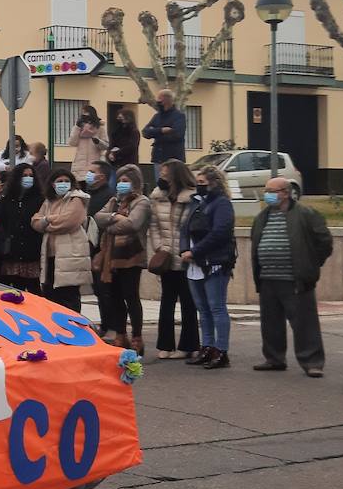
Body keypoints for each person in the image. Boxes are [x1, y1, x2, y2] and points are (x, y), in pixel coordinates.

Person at [251, 176, 333, 377]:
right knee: (271, 323)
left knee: (304, 323)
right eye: (266, 190)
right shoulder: (262, 216)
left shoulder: (305, 214)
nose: (268, 195)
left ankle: (312, 362)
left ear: (285, 193)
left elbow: (324, 242)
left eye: (272, 191)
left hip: (295, 279)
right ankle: (274, 358)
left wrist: (311, 264)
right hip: (268, 278)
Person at [182, 165, 238, 370]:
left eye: (202, 183)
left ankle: (221, 350)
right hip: (195, 264)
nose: (199, 186)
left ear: (214, 183)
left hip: (214, 262)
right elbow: (185, 229)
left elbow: (220, 233)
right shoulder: (198, 203)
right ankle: (207, 347)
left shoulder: (222, 204)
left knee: (216, 307)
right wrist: (183, 250)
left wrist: (195, 252)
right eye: (197, 183)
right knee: (203, 309)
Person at [95, 164, 151, 354]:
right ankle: (121, 334)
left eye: (125, 181)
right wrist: (115, 216)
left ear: (134, 183)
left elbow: (133, 224)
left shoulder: (141, 201)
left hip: (131, 256)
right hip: (111, 256)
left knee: (131, 296)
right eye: (119, 181)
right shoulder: (113, 201)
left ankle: (137, 337)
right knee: (115, 297)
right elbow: (98, 217)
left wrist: (111, 224)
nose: (121, 184)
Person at [149, 159, 200, 359]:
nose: (161, 176)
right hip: (166, 257)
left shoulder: (192, 198)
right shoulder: (157, 197)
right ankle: (165, 345)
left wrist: (187, 250)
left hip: (186, 257)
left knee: (188, 302)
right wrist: (160, 247)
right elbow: (153, 226)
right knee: (167, 301)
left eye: (165, 173)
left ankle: (189, 345)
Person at [31, 169, 91, 311]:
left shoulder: (77, 199)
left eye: (66, 181)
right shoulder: (49, 201)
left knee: (69, 296)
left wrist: (47, 221)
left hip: (70, 257)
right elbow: (35, 222)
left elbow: (68, 222)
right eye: (59, 181)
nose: (63, 184)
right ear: (52, 184)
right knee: (50, 295)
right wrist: (46, 221)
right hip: (51, 257)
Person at [0, 163, 44, 294]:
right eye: (24, 175)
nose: (28, 178)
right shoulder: (7, 200)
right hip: (10, 254)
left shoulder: (39, 200)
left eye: (31, 176)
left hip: (31, 254)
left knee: (34, 292)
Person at [84, 160, 117, 340]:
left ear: (102, 176)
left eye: (91, 171)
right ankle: (105, 325)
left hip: (102, 249)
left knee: (106, 290)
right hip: (89, 248)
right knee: (98, 290)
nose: (88, 174)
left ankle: (112, 326)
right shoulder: (89, 195)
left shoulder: (108, 196)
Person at [141, 89, 186, 181]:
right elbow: (145, 132)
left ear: (166, 99)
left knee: (174, 185)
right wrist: (161, 130)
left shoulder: (179, 116)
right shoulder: (157, 116)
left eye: (159, 99)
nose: (158, 101)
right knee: (160, 186)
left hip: (174, 159)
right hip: (158, 158)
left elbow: (177, 135)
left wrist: (154, 133)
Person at [68, 105, 108, 180]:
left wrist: (97, 141)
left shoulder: (100, 127)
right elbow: (72, 143)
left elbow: (106, 145)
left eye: (86, 113)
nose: (84, 116)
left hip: (94, 164)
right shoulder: (79, 127)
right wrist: (77, 127)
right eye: (83, 114)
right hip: (79, 165)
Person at [108, 109, 140, 175]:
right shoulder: (116, 132)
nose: (120, 121)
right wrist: (109, 153)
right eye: (119, 118)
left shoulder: (134, 132)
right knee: (112, 184)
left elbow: (131, 147)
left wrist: (116, 153)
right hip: (115, 163)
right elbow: (111, 145)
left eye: (122, 118)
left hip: (128, 164)